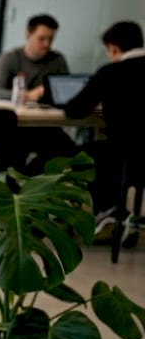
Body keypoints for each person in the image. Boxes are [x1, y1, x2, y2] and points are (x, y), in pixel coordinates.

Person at [62, 20, 145, 243]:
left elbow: (75, 110)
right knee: (106, 152)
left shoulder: (110, 72)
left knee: (87, 156)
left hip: (124, 157)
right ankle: (120, 215)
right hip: (140, 162)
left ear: (113, 48)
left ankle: (108, 212)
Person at [0, 13, 69, 102]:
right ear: (28, 35)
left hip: (48, 109)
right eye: (41, 38)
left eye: (51, 39)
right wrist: (28, 95)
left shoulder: (58, 60)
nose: (47, 44)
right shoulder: (9, 58)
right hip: (17, 109)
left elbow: (67, 93)